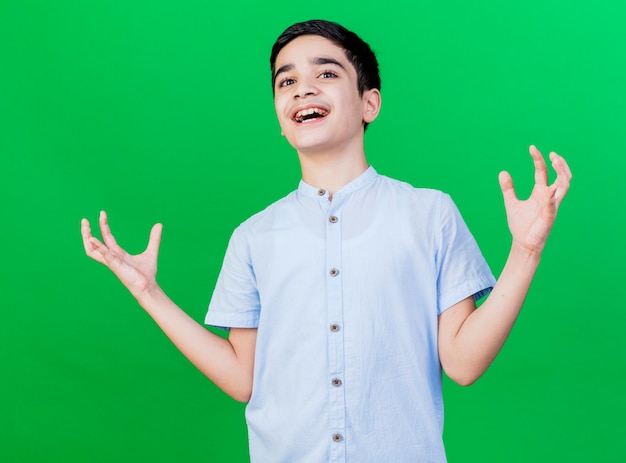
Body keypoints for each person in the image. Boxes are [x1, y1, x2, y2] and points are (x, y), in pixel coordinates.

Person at [81, 19, 572, 463]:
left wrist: (525, 251)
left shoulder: (429, 214)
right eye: (286, 81)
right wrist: (150, 294)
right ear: (278, 115)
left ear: (369, 103)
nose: (302, 89)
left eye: (327, 74)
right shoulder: (253, 237)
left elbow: (463, 364)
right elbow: (240, 378)